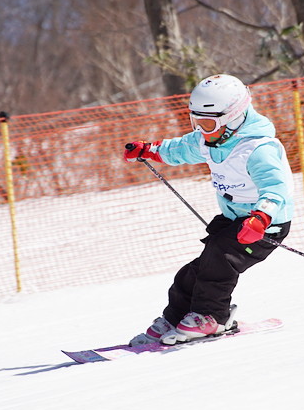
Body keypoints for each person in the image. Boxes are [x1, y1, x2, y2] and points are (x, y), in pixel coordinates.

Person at [123, 74, 294, 345]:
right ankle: (176, 315)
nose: (201, 129)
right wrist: (151, 151)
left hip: (265, 225)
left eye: (207, 123)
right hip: (233, 220)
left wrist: (261, 217)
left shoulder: (258, 148)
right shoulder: (208, 139)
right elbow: (180, 148)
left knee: (219, 262)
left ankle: (213, 317)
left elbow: (276, 188)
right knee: (194, 271)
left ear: (233, 117)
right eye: (196, 121)